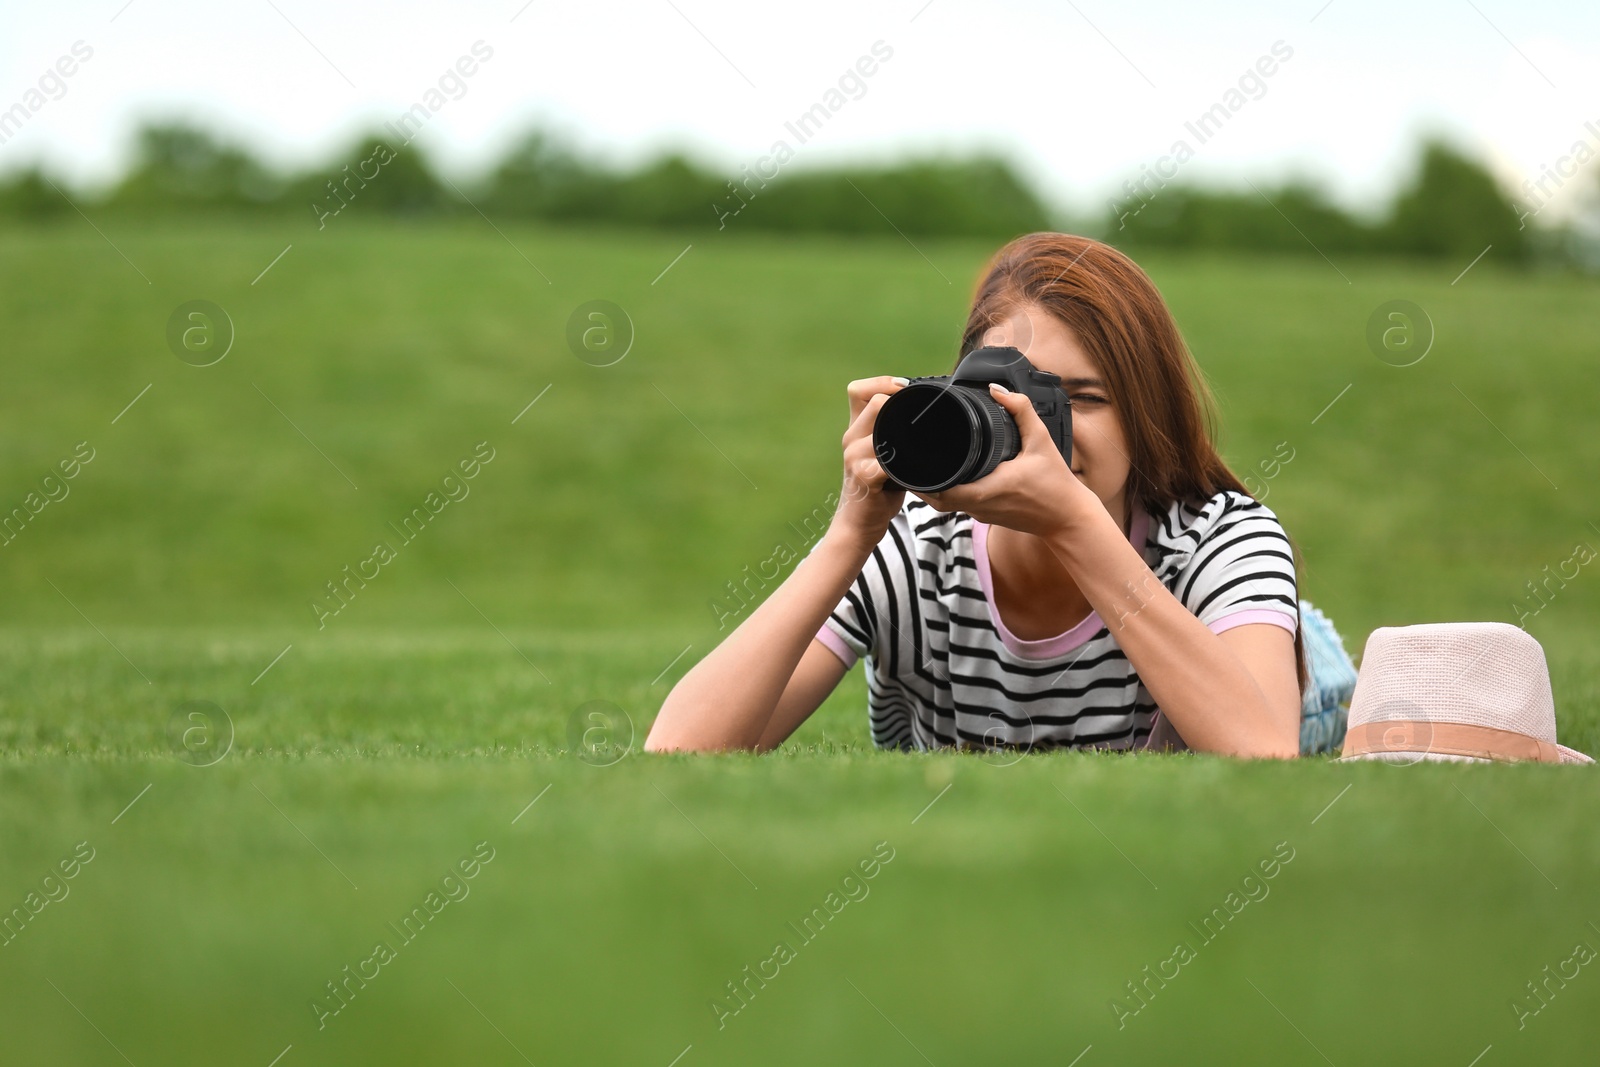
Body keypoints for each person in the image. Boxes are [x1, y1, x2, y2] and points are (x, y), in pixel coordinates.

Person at [646, 232, 1306, 758]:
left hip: (1256, 646)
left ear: (1146, 413)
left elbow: (1265, 753)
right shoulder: (916, 553)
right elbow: (681, 752)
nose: (1045, 430)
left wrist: (1074, 526)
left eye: (1082, 399)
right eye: (1006, 397)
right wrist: (850, 534)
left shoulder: (1217, 539)